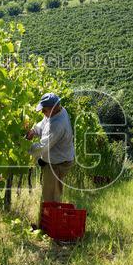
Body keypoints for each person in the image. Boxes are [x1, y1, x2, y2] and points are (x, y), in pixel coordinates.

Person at [26, 92, 76, 227]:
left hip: (58, 164)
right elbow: (43, 123)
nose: (42, 112)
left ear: (54, 108)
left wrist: (24, 147)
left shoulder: (58, 125)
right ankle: (47, 224)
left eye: (44, 109)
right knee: (50, 194)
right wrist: (33, 130)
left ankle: (49, 227)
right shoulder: (58, 111)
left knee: (51, 197)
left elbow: (42, 147)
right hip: (55, 160)